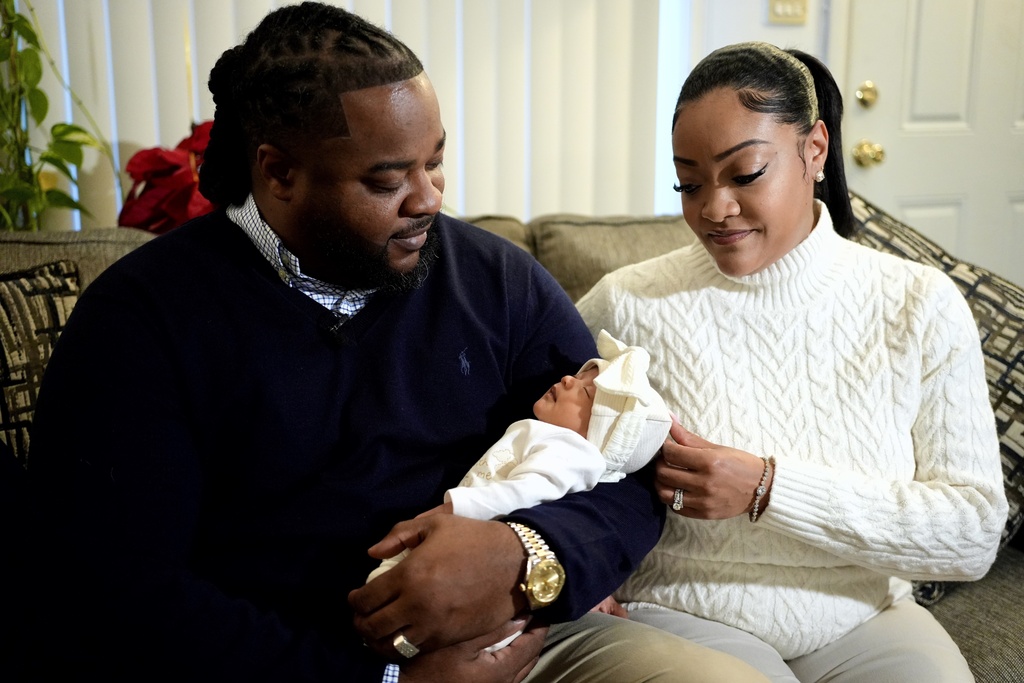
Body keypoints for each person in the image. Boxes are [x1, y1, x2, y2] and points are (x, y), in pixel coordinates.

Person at [25, 4, 767, 682]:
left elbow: (631, 469)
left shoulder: (494, 278)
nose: (430, 198)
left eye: (434, 161)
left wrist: (527, 561)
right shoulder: (142, 322)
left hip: (525, 637)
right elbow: (118, 593)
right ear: (278, 171)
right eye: (388, 180)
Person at [576, 41, 1009, 683]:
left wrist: (767, 489)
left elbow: (972, 533)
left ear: (815, 149)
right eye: (689, 183)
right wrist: (567, 569)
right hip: (682, 612)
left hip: (862, 618)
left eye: (744, 174)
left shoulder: (918, 303)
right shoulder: (629, 302)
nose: (714, 209)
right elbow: (527, 440)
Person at [368, 328, 672, 579]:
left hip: (470, 545)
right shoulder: (551, 438)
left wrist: (447, 511)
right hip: (460, 532)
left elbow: (521, 493)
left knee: (394, 584)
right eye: (578, 377)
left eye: (586, 392)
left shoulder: (574, 454)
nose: (568, 379)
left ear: (606, 436)